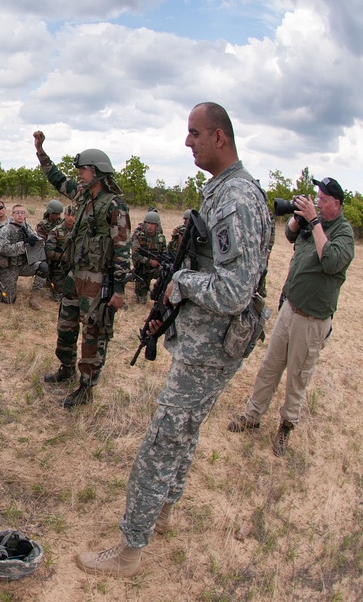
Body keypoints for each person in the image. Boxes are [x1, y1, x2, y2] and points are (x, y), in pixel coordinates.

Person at [77, 102, 271, 576]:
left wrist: (180, 282)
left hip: (212, 344)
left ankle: (129, 550)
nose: (187, 142)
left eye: (194, 133)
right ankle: (163, 510)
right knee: (184, 430)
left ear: (219, 137)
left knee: (163, 438)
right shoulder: (225, 191)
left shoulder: (237, 200)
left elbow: (233, 290)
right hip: (209, 340)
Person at [228, 176, 355, 456]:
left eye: (323, 199)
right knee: (269, 367)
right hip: (290, 307)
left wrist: (316, 222)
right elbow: (290, 235)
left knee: (297, 378)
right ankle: (252, 416)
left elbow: (332, 262)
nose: (317, 203)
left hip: (312, 320)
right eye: (316, 198)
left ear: (336, 203)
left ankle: (286, 428)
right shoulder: (313, 223)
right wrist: (299, 218)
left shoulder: (343, 233)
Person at [34, 131, 130, 408]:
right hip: (74, 276)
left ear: (98, 172)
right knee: (65, 326)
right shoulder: (81, 197)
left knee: (93, 334)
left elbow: (123, 249)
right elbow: (56, 178)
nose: (79, 174)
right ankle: (66, 369)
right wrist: (40, 150)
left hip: (97, 281)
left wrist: (119, 289)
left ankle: (85, 388)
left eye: (84, 169)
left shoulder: (114, 205)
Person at [0, 205, 46, 308]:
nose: (20, 215)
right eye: (17, 212)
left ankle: (34, 297)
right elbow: (4, 249)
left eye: (22, 212)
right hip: (9, 267)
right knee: (8, 299)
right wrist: (24, 244)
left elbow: (36, 241)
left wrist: (37, 242)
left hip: (24, 265)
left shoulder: (27, 227)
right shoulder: (6, 230)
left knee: (43, 267)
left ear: (25, 215)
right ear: (12, 215)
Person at [131, 212, 168, 304]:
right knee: (141, 301)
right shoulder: (139, 237)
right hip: (143, 270)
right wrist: (150, 261)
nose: (150, 226)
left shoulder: (161, 239)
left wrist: (160, 262)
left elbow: (165, 254)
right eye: (148, 223)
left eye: (152, 224)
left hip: (156, 269)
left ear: (157, 225)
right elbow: (135, 255)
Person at [45, 206, 75, 301]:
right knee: (60, 296)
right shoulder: (56, 231)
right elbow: (49, 252)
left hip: (75, 267)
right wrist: (65, 257)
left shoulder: (79, 231)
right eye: (69, 215)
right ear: (65, 215)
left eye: (73, 215)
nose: (71, 218)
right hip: (59, 268)